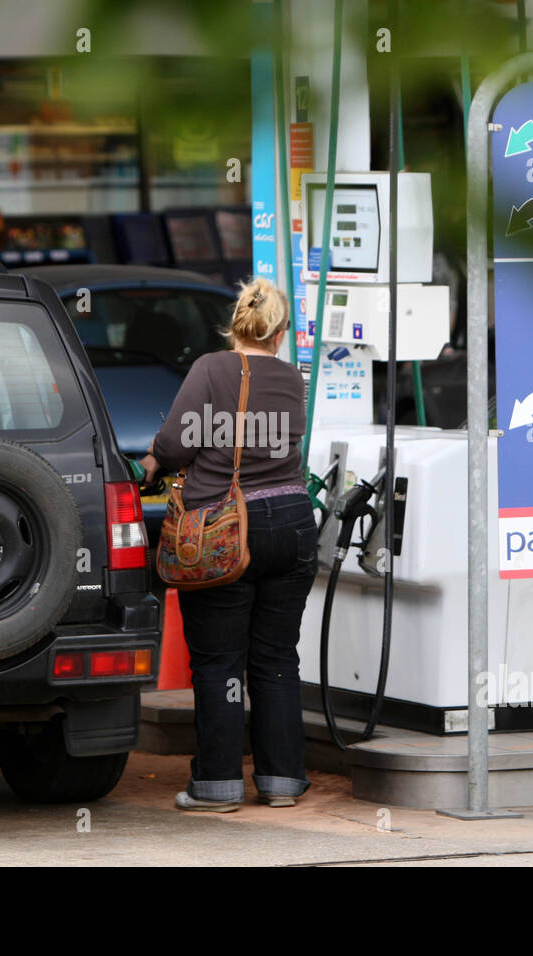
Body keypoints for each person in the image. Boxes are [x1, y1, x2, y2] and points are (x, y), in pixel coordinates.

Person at [139, 277, 317, 812]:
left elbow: (175, 442)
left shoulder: (211, 368)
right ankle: (283, 780)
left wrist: (152, 464)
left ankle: (217, 786)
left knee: (219, 662)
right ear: (281, 333)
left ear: (234, 324)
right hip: (291, 520)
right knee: (277, 658)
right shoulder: (292, 378)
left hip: (225, 527)